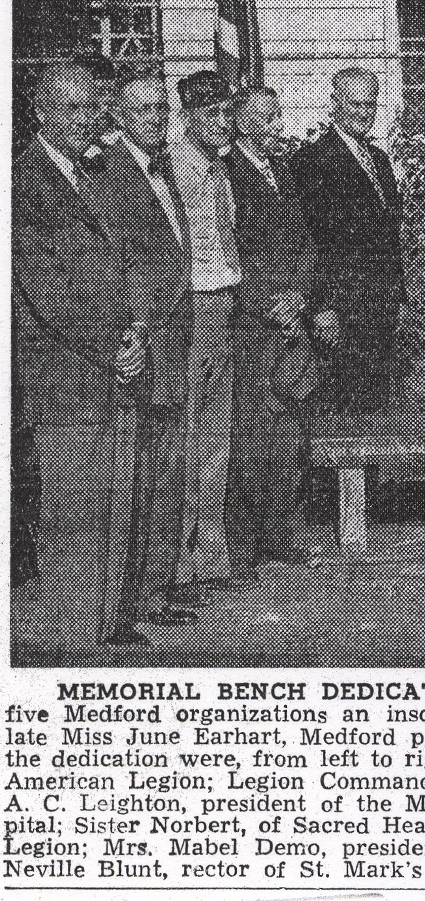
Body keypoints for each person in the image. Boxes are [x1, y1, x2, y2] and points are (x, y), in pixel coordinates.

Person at [12, 62, 147, 646]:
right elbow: (47, 289)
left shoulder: (101, 174)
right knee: (75, 507)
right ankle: (73, 634)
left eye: (94, 105)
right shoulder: (23, 184)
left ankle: (113, 624)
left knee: (118, 497)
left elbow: (134, 258)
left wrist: (135, 332)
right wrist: (112, 343)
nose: (91, 117)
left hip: (117, 359)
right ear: (42, 114)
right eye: (77, 108)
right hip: (66, 370)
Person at [100, 69, 194, 629]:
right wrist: (134, 331)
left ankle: (155, 592)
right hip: (145, 341)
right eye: (145, 112)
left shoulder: (156, 171)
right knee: (143, 479)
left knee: (165, 474)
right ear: (123, 117)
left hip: (171, 334)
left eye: (161, 111)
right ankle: (130, 602)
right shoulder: (116, 175)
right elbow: (121, 265)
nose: (158, 121)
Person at [225, 86, 322, 570]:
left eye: (277, 115)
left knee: (289, 427)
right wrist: (270, 303)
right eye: (263, 118)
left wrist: (299, 297)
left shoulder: (282, 171)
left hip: (290, 316)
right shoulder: (228, 175)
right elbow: (232, 251)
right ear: (241, 122)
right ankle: (247, 539)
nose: (274, 125)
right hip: (254, 322)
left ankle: (283, 533)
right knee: (252, 430)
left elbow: (306, 240)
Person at [169, 71, 243, 600]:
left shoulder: (220, 167)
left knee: (217, 435)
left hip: (224, 299)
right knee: (187, 435)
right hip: (189, 306)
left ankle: (212, 554)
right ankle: (178, 564)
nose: (224, 123)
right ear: (189, 114)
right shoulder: (174, 166)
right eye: (214, 114)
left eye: (226, 112)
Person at [292, 67, 404, 413]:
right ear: (334, 103)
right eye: (355, 104)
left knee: (374, 405)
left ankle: (370, 469)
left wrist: (395, 294)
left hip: (379, 302)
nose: (363, 113)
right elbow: (313, 240)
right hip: (341, 306)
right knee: (342, 408)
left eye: (369, 105)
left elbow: (387, 232)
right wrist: (321, 305)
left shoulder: (380, 160)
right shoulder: (314, 160)